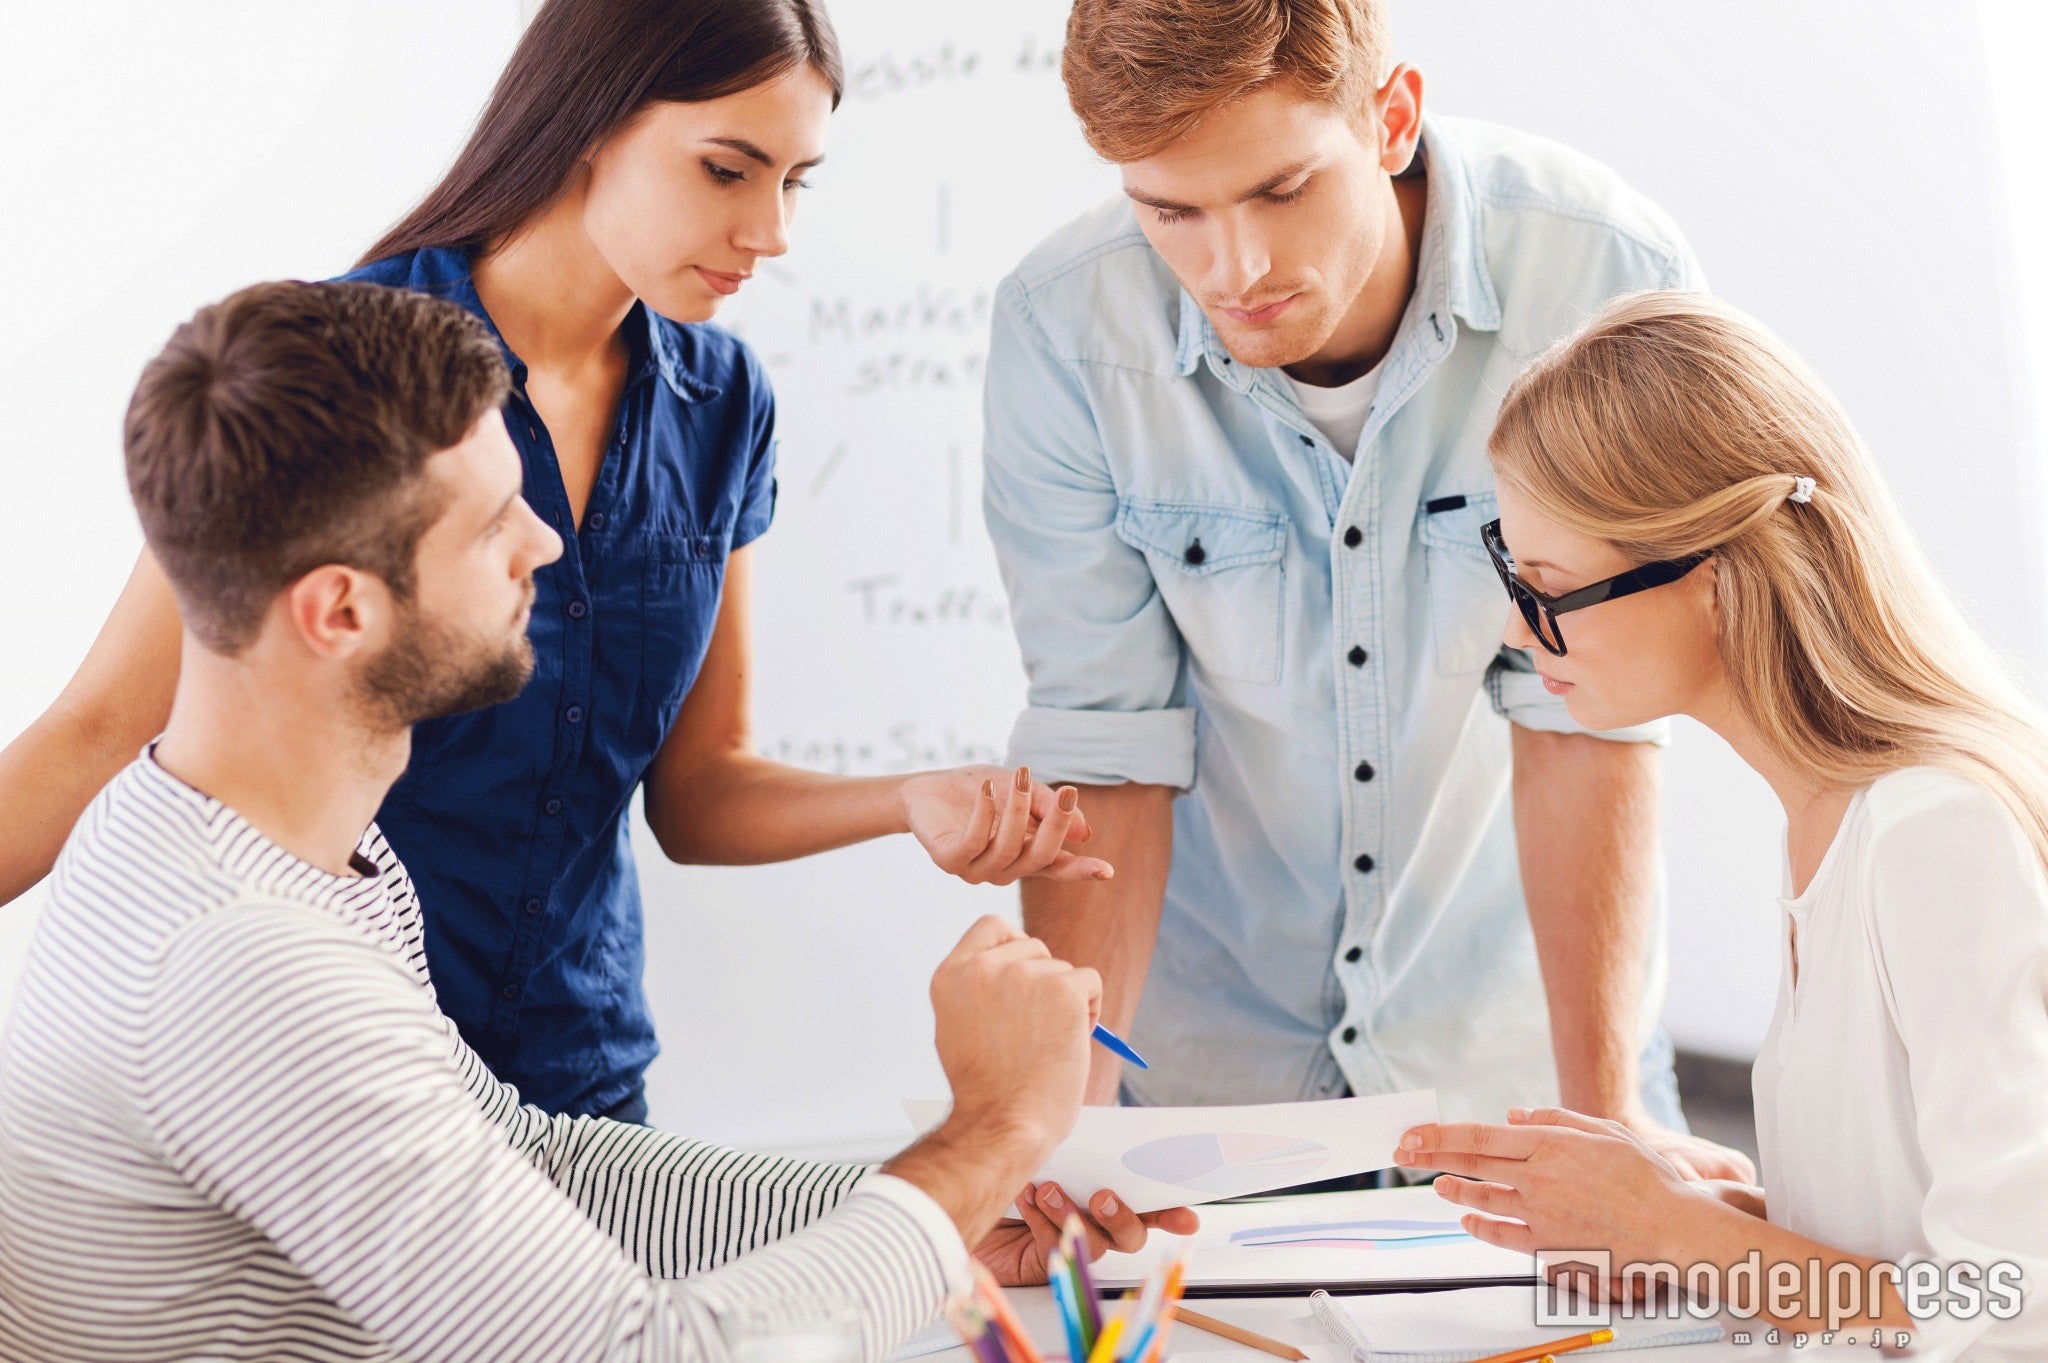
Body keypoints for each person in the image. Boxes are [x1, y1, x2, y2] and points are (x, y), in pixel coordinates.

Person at [0, 280, 1194, 1363]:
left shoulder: (246, 847)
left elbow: (541, 1160)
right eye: (488, 526)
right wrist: (995, 1123)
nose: (545, 543)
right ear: (340, 612)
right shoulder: (244, 963)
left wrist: (936, 1214)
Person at [0, 0, 1109, 1124]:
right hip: (325, 1071)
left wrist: (910, 799)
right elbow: (96, 735)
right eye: (727, 170)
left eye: (793, 180)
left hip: (579, 1082)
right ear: (590, 120)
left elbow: (698, 793)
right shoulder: (344, 365)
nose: (770, 231)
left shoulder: (722, 406)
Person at [980, 0, 1745, 1176]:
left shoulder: (1600, 274)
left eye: (1281, 191)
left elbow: (1584, 714)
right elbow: (1107, 748)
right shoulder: (1066, 331)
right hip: (1201, 1078)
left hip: (1520, 1066)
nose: (1231, 269)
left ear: (1390, 120)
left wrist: (1604, 1121)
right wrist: (1065, 1137)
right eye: (1168, 211)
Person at [1396, 292, 2048, 1359]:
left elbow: (2008, 1306)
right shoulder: (1830, 821)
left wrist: (1671, 1230)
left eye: (1549, 585)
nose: (1521, 626)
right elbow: (1904, 1247)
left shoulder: (1934, 832)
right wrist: (1694, 1215)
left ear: (1717, 577)